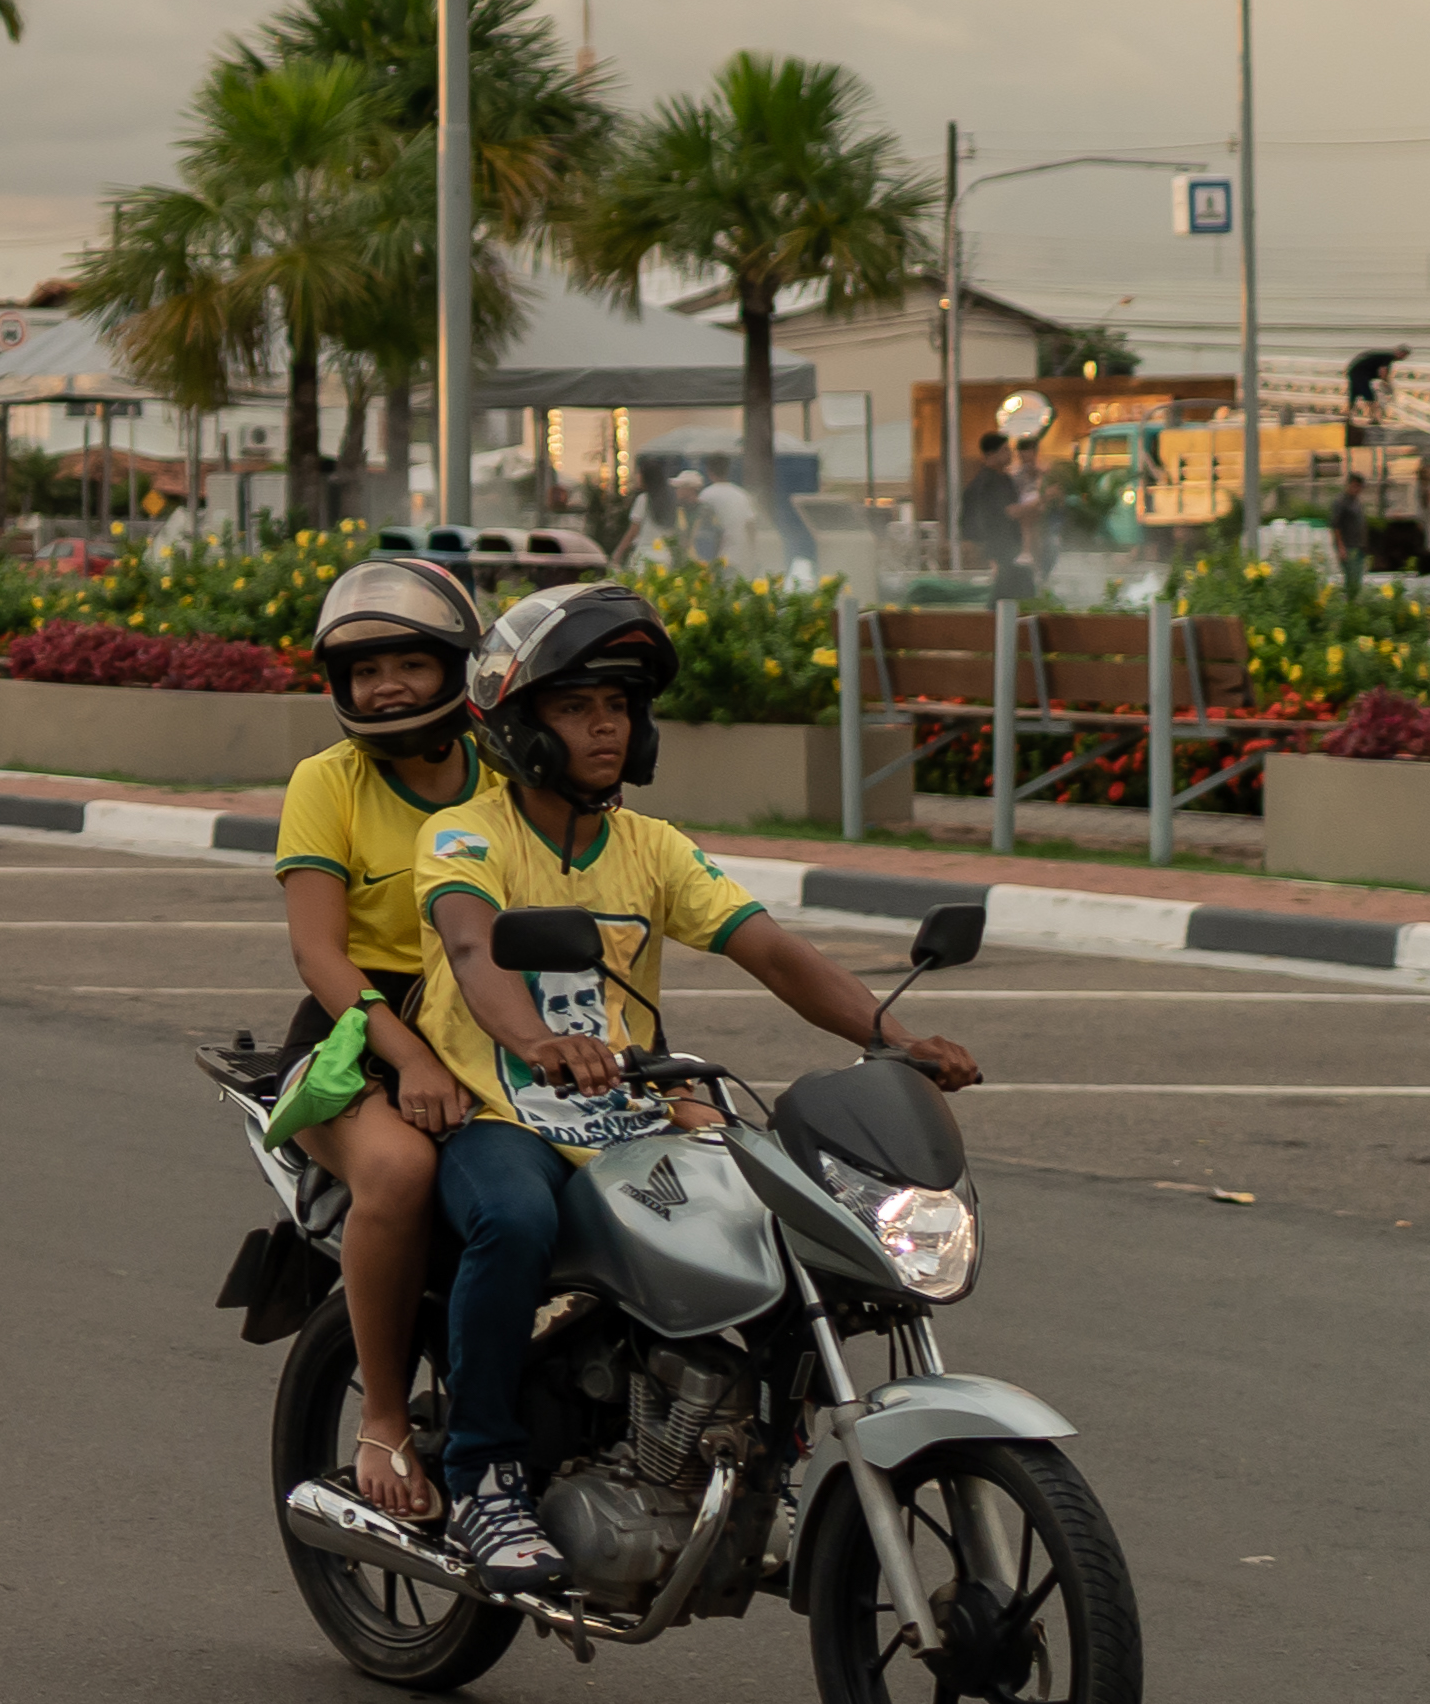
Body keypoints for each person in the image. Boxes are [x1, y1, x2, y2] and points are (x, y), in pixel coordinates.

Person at [400, 583, 989, 1597]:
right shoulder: (466, 836)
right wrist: (538, 1039)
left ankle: (761, 1461)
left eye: (619, 708)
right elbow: (468, 944)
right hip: (502, 1110)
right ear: (520, 726)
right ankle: (483, 1472)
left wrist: (897, 1038)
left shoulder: (652, 850)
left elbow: (778, 954)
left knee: (775, 1220)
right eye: (579, 706)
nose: (605, 727)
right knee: (509, 1220)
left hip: (626, 1114)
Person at [256, 556, 493, 1523]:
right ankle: (384, 1421)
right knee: (398, 1171)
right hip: (358, 1039)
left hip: (491, 1027)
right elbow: (318, 956)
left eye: (409, 662)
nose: (386, 685)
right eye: (364, 669)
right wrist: (411, 1056)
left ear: (456, 667)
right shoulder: (329, 782)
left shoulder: (509, 771)